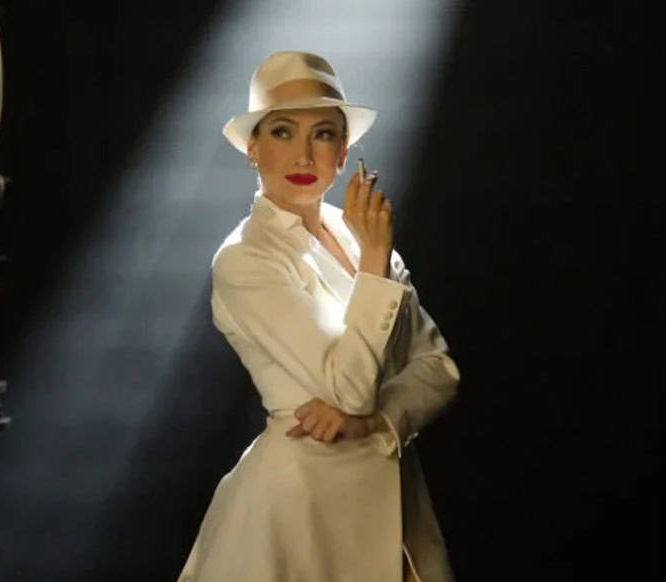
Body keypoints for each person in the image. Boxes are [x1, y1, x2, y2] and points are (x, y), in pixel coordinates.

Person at [178, 51, 460, 582]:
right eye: (283, 132)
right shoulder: (245, 259)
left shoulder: (361, 236)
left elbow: (439, 369)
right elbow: (347, 390)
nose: (304, 154)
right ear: (253, 148)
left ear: (343, 150)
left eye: (323, 134)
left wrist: (378, 422)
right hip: (295, 514)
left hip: (398, 516)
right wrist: (374, 266)